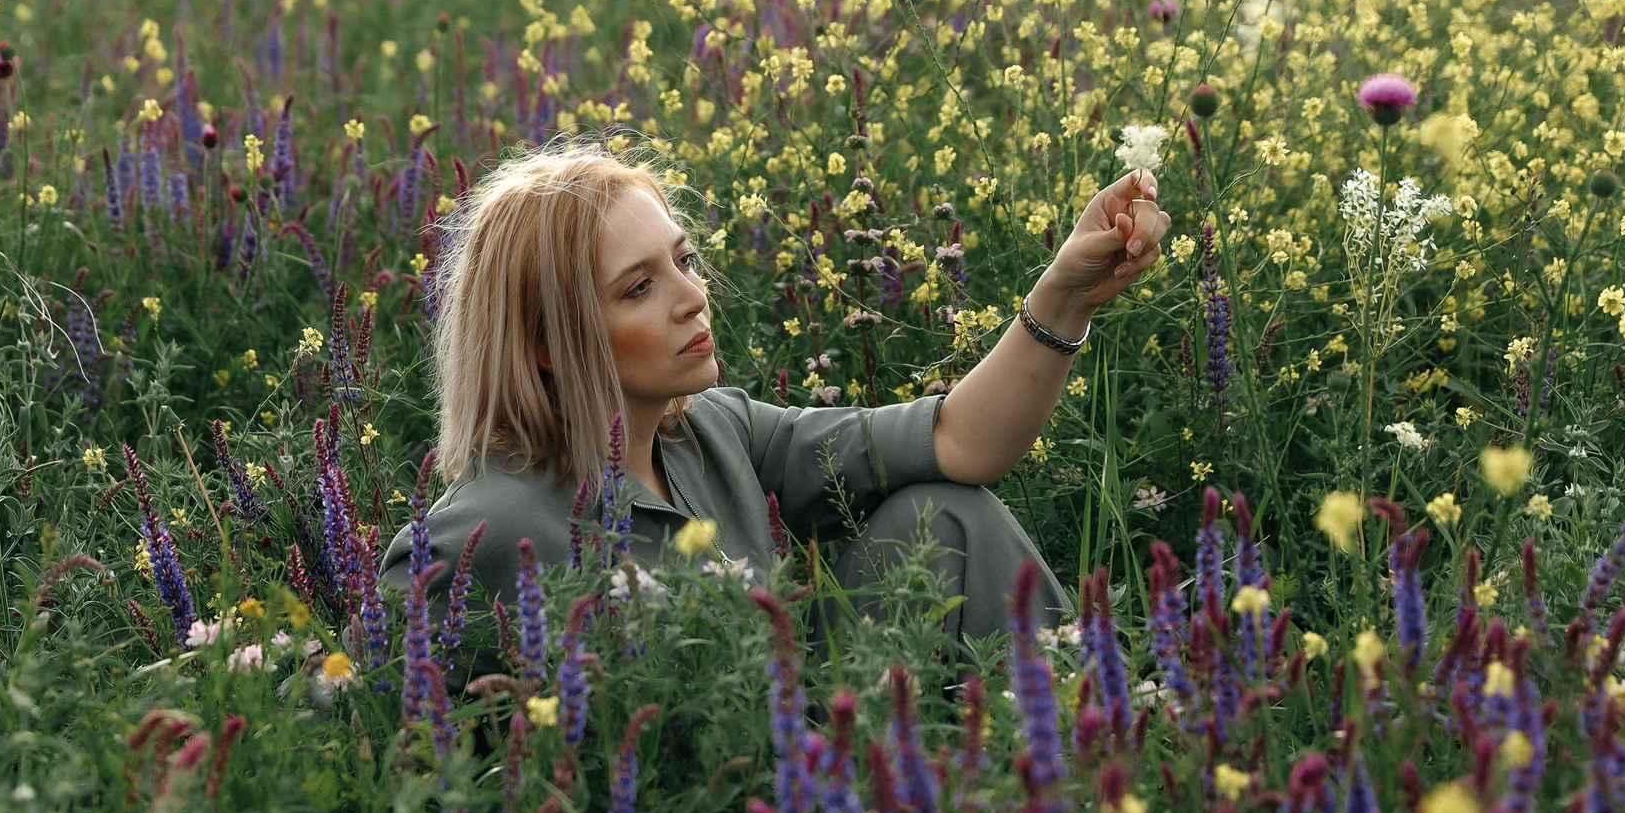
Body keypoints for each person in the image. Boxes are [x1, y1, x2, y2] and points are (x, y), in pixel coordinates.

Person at [377, 134, 1167, 677]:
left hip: (801, 753)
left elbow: (961, 440)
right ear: (547, 341)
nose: (693, 297)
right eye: (639, 287)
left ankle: (1111, 758)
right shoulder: (489, 527)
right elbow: (372, 704)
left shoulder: (713, 432)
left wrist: (1064, 296)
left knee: (946, 513)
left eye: (684, 261)